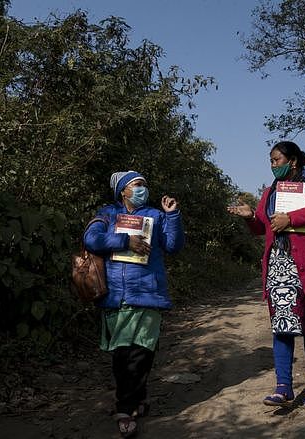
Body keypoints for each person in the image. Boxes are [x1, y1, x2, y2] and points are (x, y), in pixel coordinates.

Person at [227, 141, 305, 408]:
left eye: (277, 160)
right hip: (279, 267)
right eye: (271, 161)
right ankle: (283, 387)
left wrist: (292, 219)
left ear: (293, 160)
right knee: (282, 327)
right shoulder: (271, 191)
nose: (273, 165)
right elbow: (262, 227)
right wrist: (250, 216)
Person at [84, 170, 184, 437]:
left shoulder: (156, 215)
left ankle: (125, 408)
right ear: (123, 191)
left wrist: (172, 216)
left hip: (149, 293)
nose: (143, 189)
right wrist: (125, 240)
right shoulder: (106, 215)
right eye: (137, 185)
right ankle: (134, 399)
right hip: (117, 295)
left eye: (144, 185)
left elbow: (173, 246)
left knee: (142, 352)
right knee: (122, 355)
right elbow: (91, 239)